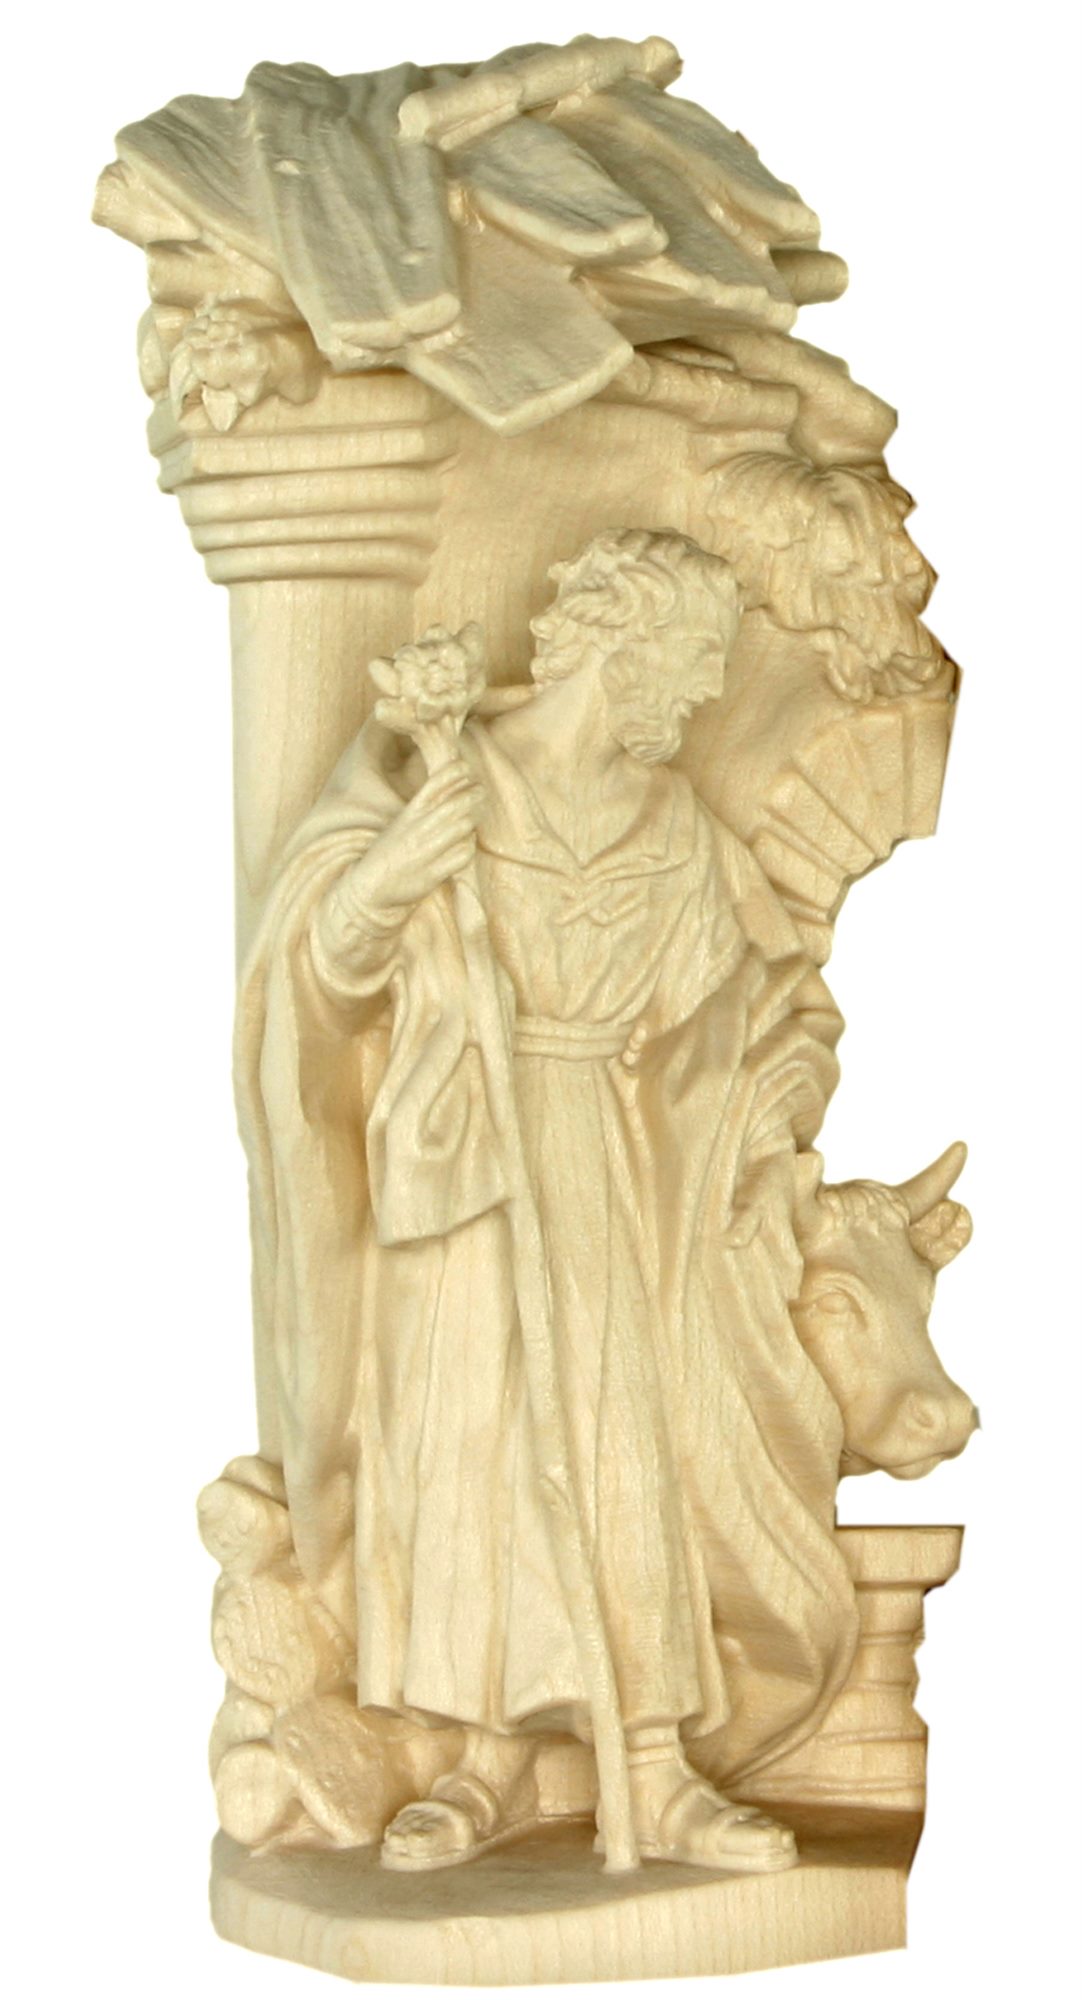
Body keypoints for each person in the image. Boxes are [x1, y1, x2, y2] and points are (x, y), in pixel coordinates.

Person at [236, 529, 859, 1874]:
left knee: (622, 1440)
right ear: (620, 646)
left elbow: (754, 1004)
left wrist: (771, 1096)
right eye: (692, 661)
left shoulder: (671, 825)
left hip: (601, 1153)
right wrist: (395, 872)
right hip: (461, 1164)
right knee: (469, 1448)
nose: (703, 693)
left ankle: (654, 1765)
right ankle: (485, 1762)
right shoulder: (443, 773)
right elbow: (317, 979)